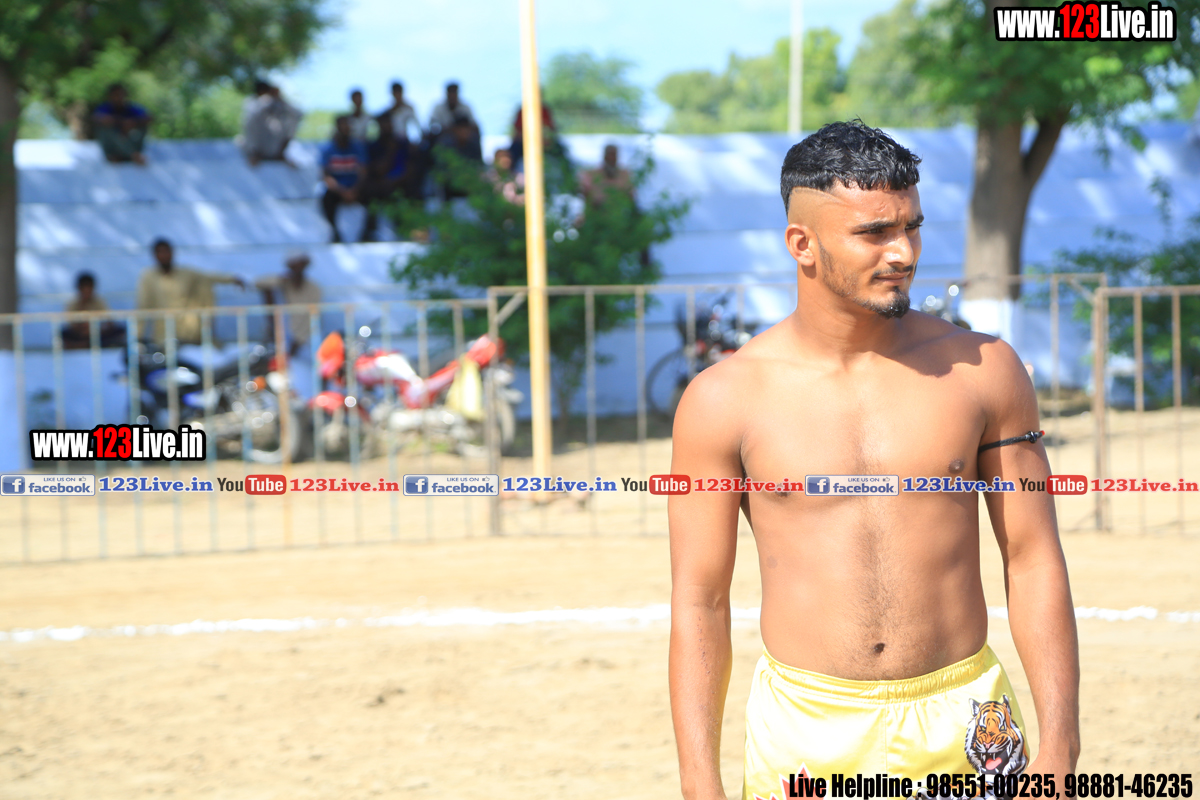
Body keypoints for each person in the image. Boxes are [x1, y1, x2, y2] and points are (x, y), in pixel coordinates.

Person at [668, 121, 1079, 800]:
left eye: (912, 227)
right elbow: (699, 600)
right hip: (806, 730)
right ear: (801, 244)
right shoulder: (723, 399)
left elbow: (1033, 559)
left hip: (966, 718)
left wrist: (1061, 744)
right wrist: (698, 784)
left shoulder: (985, 371)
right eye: (875, 232)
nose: (904, 252)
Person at [136, 238, 245, 344]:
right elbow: (143, 305)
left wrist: (232, 279)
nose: (164, 255)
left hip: (188, 335)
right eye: (160, 252)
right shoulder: (148, 277)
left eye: (166, 251)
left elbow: (207, 277)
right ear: (154, 255)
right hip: (163, 337)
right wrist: (138, 336)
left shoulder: (185, 273)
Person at [256, 251, 322, 357]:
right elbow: (259, 283)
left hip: (302, 341)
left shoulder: (314, 289)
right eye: (294, 266)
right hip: (283, 334)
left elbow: (310, 320)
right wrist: (281, 279)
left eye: (300, 266)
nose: (297, 270)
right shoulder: (284, 283)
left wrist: (296, 345)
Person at [360, 114, 410, 242]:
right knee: (372, 191)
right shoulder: (374, 146)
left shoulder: (403, 143)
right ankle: (370, 230)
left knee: (399, 192)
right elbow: (378, 170)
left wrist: (396, 180)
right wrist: (390, 151)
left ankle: (403, 229)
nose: (387, 127)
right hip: (381, 185)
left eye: (389, 124)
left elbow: (409, 168)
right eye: (383, 124)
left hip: (401, 183)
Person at [319, 116, 369, 243]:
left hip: (356, 188)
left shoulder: (358, 147)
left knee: (372, 194)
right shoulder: (328, 149)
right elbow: (325, 176)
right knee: (326, 199)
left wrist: (354, 190)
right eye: (343, 126)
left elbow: (363, 172)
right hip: (338, 190)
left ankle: (368, 233)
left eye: (348, 127)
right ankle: (334, 232)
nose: (346, 129)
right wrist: (342, 192)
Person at [241, 80, 303, 166]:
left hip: (275, 147)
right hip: (256, 145)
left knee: (290, 120)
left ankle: (281, 154)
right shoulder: (253, 101)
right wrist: (266, 99)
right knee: (251, 120)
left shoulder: (278, 103)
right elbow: (253, 115)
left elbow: (299, 114)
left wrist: (280, 99)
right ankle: (254, 154)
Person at [93, 83, 152, 165]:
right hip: (113, 147)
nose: (118, 97)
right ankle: (131, 155)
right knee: (105, 129)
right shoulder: (105, 108)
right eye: (116, 95)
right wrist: (120, 123)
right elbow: (98, 118)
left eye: (121, 95)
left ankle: (130, 154)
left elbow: (148, 117)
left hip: (130, 140)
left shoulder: (131, 108)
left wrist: (133, 123)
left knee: (141, 128)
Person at [62, 272, 123, 349]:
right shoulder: (73, 304)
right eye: (84, 288)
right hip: (79, 334)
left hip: (98, 333)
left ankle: (82, 345)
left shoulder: (99, 302)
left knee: (120, 331)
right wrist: (82, 328)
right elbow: (70, 325)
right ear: (79, 288)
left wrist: (95, 328)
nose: (87, 291)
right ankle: (83, 344)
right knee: (62, 333)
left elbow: (109, 322)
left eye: (89, 287)